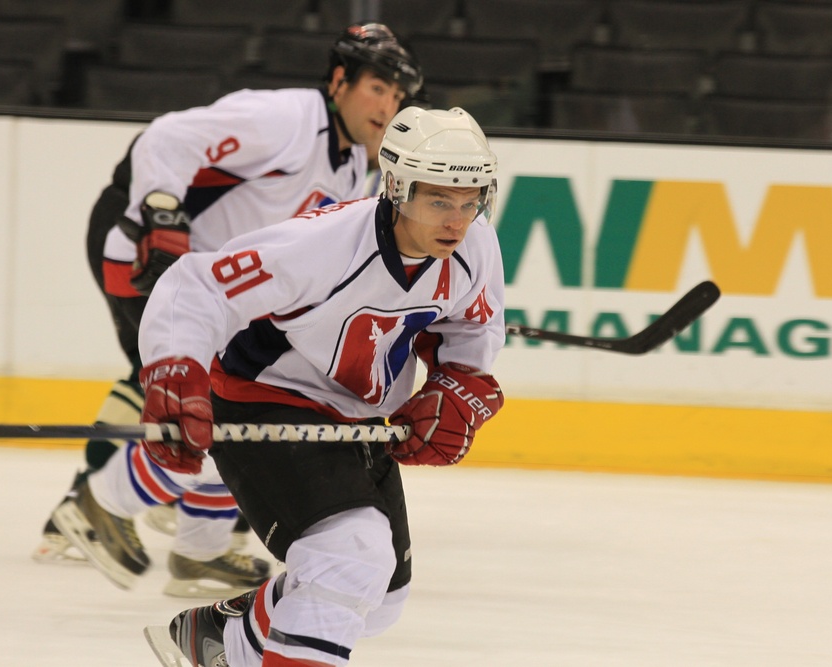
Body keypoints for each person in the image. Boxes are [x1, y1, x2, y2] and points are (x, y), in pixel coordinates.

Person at [39, 23, 424, 599]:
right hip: (150, 255)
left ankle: (198, 549)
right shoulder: (290, 118)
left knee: (239, 393)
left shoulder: (351, 167)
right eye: (378, 87)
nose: (388, 105)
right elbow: (169, 138)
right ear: (339, 81)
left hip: (207, 285)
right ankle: (102, 504)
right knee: (216, 397)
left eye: (398, 97)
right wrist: (163, 210)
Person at [140, 105, 505, 667]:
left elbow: (472, 326)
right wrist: (174, 368)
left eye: (470, 200)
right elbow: (197, 288)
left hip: (357, 419)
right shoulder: (323, 245)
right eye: (439, 201)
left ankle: (224, 641)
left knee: (378, 599)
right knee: (349, 557)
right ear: (397, 188)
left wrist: (458, 384)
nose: (457, 221)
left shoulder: (474, 246)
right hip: (267, 400)